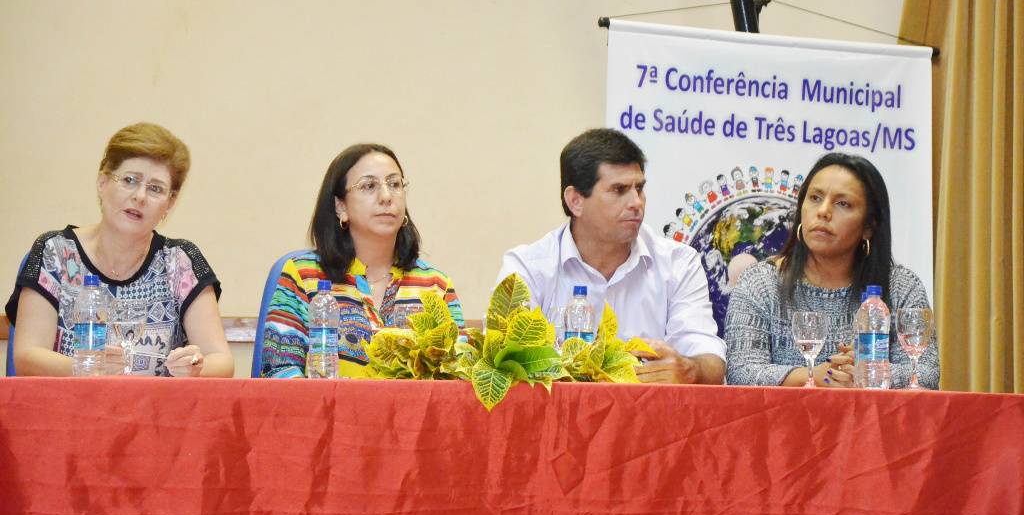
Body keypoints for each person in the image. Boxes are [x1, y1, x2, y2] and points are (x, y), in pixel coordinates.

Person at [496, 128, 726, 384]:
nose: (636, 202)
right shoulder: (527, 269)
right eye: (619, 190)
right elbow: (503, 364)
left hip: (649, 419)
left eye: (639, 188)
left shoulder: (679, 263)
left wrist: (690, 369)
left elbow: (711, 361)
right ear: (576, 201)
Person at [5, 122, 234, 377]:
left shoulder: (179, 261)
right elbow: (26, 357)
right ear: (102, 183)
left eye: (155, 188)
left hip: (156, 413)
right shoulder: (55, 253)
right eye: (129, 180)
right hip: (69, 411)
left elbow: (221, 362)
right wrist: (90, 366)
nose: (140, 196)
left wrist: (195, 367)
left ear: (169, 204)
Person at [725, 152, 939, 388]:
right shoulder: (760, 283)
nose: (823, 211)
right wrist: (813, 376)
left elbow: (927, 374)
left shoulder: (901, 287)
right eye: (815, 198)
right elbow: (741, 372)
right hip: (782, 423)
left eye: (843, 203)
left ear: (868, 227)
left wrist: (866, 371)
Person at [260, 143, 463, 378]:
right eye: (369, 186)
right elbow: (278, 372)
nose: (386, 197)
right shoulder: (304, 275)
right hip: (324, 413)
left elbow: (455, 377)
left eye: (394, 184)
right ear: (340, 207)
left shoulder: (435, 285)